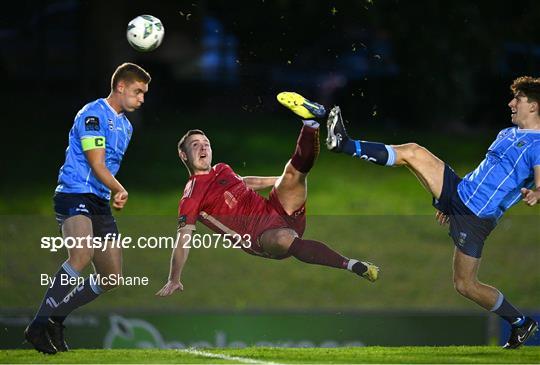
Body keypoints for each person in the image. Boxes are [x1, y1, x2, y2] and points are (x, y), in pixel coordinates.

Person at [325, 76, 540, 349]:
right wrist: (445, 202)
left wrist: (536, 194)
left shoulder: (538, 145)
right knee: (413, 152)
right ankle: (344, 143)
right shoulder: (507, 134)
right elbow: (487, 172)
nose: (511, 103)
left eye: (517, 99)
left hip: (475, 217)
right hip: (461, 192)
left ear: (533, 106)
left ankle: (521, 323)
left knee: (465, 285)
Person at [156, 92, 379, 298]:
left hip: (276, 209)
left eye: (206, 144)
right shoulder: (191, 197)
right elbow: (183, 239)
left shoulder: (222, 169)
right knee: (283, 239)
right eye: (195, 145)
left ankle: (309, 123)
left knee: (294, 172)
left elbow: (246, 183)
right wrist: (174, 278)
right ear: (183, 154)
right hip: (261, 237)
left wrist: (282, 180)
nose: (203, 148)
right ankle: (353, 265)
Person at [25, 63, 151, 354]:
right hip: (74, 193)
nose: (142, 98)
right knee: (81, 255)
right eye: (138, 91)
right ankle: (37, 326)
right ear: (120, 86)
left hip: (99, 200)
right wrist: (120, 188)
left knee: (111, 276)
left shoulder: (126, 126)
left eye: (144, 93)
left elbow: (107, 169)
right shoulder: (92, 114)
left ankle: (56, 318)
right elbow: (96, 164)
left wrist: (113, 192)